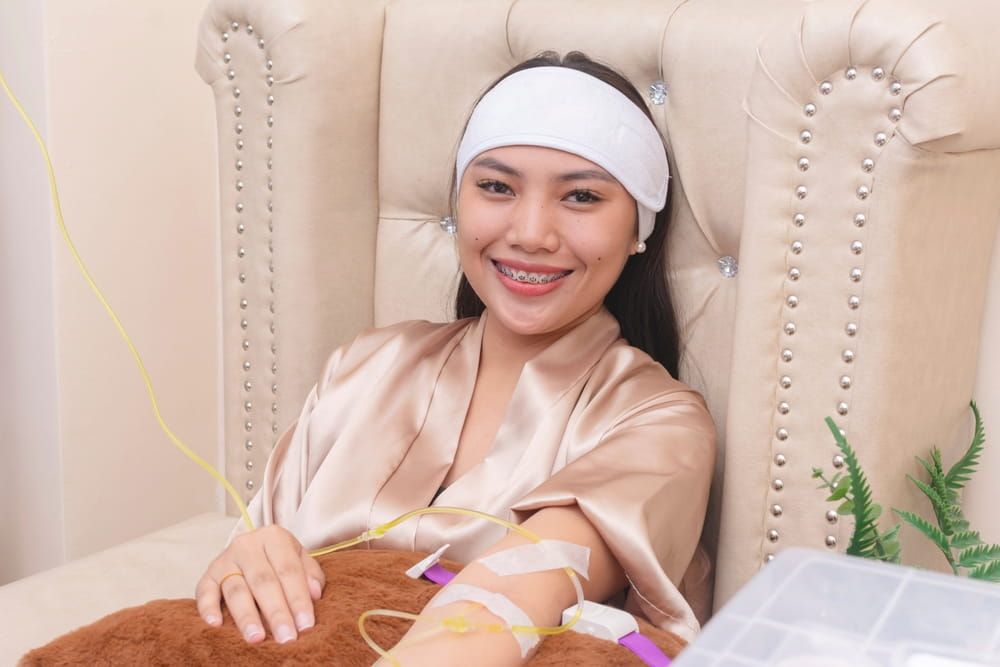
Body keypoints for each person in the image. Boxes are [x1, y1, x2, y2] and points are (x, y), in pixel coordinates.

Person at [195, 51, 716, 665]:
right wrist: (252, 559)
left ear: (638, 229)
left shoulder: (661, 423)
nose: (530, 232)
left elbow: (514, 592)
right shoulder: (365, 364)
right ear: (459, 204)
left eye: (580, 197)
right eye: (496, 187)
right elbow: (260, 549)